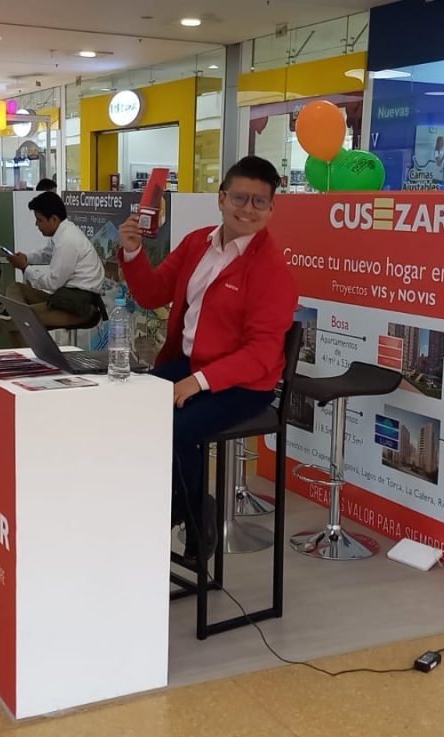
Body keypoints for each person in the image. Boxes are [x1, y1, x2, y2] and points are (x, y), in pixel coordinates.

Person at [119, 156, 297, 562]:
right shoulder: (198, 242)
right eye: (239, 198)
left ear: (271, 209)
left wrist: (196, 383)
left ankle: (188, 516)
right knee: (130, 406)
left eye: (258, 202)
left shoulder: (271, 271)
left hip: (244, 384)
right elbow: (152, 293)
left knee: (177, 427)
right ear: (221, 198)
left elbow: (262, 354)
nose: (247, 209)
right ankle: (191, 506)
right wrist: (133, 253)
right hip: (189, 363)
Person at [4, 191, 105, 340]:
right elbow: (46, 254)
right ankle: (21, 315)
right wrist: (26, 258)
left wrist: (25, 268)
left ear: (53, 219)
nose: (36, 224)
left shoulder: (68, 241)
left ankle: (31, 351)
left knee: (18, 322)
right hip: (64, 297)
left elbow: (53, 282)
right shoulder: (62, 233)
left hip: (77, 306)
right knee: (16, 289)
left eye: (39, 220)